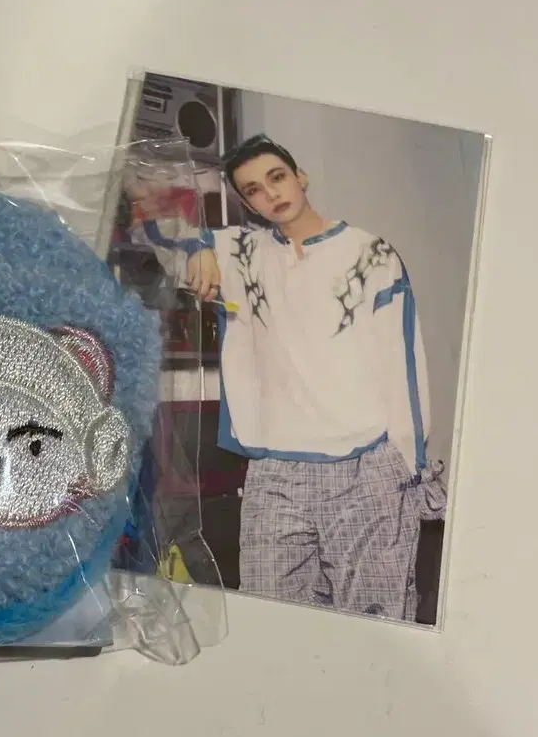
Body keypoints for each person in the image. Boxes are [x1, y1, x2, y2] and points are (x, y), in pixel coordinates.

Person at [183, 133, 447, 621]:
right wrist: (198, 247)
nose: (271, 193)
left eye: (277, 177)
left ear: (300, 176)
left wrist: (411, 465)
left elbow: (402, 358)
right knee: (272, 621)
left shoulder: (370, 253)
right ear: (247, 205)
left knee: (375, 623)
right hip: (276, 471)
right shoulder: (243, 253)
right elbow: (160, 236)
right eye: (254, 190)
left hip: (365, 464)